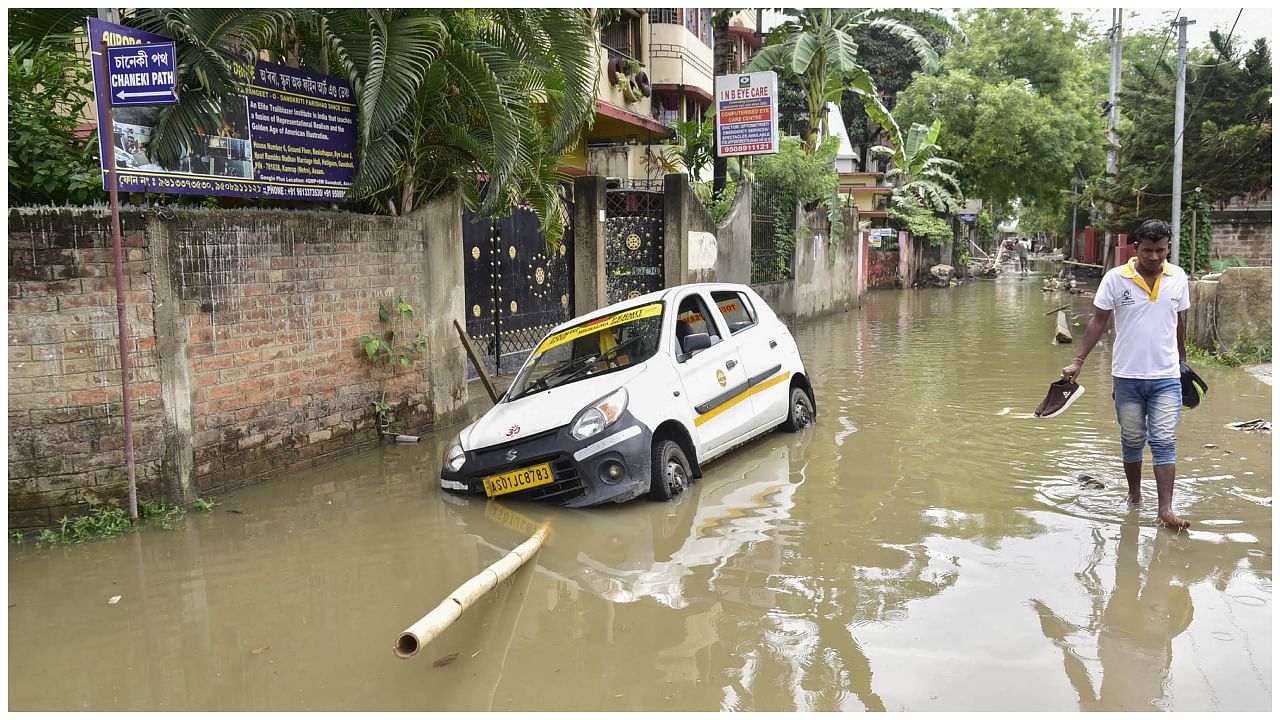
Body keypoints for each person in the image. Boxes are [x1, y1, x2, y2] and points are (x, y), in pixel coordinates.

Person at [1062, 219, 1191, 528]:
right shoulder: (1116, 279)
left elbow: (1179, 321)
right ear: (1136, 249)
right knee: (1132, 439)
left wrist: (1183, 361)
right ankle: (1134, 495)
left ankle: (1166, 510)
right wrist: (1078, 361)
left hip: (1166, 378)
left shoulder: (1178, 278)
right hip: (1128, 377)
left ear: (1168, 247)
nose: (1155, 257)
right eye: (1148, 250)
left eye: (1161, 250)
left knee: (1163, 439)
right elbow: (1098, 321)